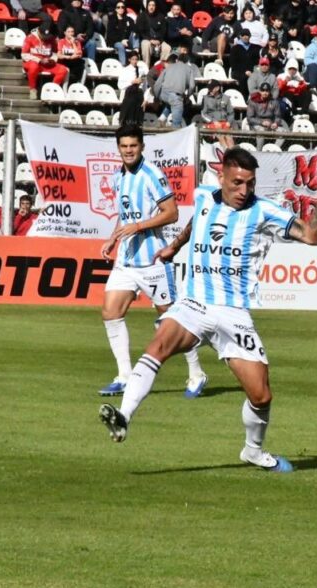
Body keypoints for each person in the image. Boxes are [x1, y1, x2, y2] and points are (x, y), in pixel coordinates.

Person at [98, 148, 317, 474]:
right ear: (222, 178)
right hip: (194, 303)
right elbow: (191, 224)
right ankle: (124, 416)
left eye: (250, 184)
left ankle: (253, 451)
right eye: (238, 183)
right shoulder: (203, 196)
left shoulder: (262, 211)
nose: (244, 191)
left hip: (234, 313)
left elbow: (312, 237)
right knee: (159, 344)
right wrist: (175, 245)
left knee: (261, 394)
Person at [96, 125, 208, 399]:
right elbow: (125, 216)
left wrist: (139, 226)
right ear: (118, 148)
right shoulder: (118, 177)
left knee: (171, 319)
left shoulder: (151, 175)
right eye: (124, 146)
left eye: (133, 146)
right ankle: (124, 375)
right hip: (127, 259)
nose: (128, 150)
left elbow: (171, 213)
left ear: (142, 146)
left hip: (153, 261)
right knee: (110, 312)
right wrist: (114, 238)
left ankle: (196, 373)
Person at [22, 26, 68, 99]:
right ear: (39, 32)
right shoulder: (30, 38)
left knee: (63, 69)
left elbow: (55, 53)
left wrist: (52, 60)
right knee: (34, 67)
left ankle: (52, 90)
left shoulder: (51, 39)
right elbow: (24, 55)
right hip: (33, 62)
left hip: (47, 63)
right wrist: (39, 60)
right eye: (44, 36)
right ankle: (33, 90)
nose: (45, 38)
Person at [152, 53, 196, 127]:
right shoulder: (189, 69)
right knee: (176, 124)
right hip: (175, 95)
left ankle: (161, 119)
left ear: (177, 60)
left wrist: (157, 96)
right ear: (187, 61)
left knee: (171, 101)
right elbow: (192, 86)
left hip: (163, 94)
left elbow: (158, 83)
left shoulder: (169, 67)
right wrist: (187, 96)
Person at [136, 0, 169, 65]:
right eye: (150, 5)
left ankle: (161, 67)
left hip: (159, 40)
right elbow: (140, 31)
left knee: (167, 48)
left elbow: (164, 31)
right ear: (147, 6)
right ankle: (146, 67)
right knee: (146, 44)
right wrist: (150, 40)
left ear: (156, 6)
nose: (151, 7)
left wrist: (159, 41)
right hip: (147, 39)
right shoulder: (141, 16)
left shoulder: (161, 16)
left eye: (153, 5)